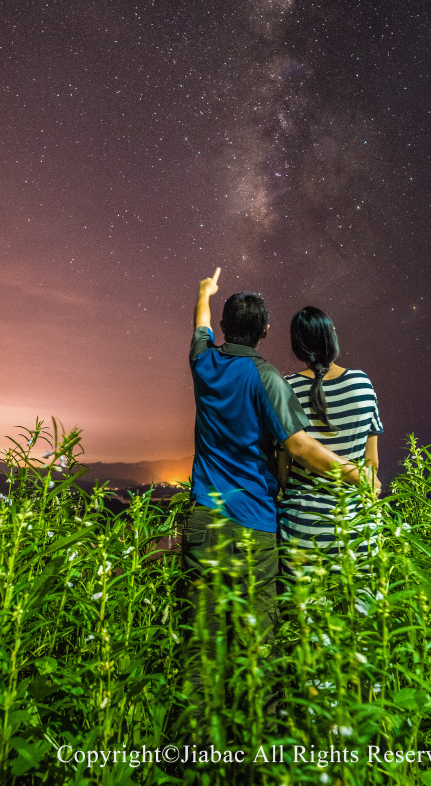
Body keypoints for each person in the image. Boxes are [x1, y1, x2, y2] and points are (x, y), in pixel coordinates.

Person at [183, 270, 363, 684]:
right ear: (265, 330)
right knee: (256, 650)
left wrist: (204, 291)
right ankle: (253, 744)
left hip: (204, 522)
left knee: (202, 652)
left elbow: (200, 324)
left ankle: (196, 746)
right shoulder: (268, 379)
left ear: (225, 329)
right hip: (254, 528)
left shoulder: (203, 361)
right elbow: (300, 447)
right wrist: (356, 475)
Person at [277, 306, 382, 556]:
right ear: (332, 336)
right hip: (359, 527)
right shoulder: (362, 383)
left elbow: (283, 472)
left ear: (297, 345)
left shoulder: (285, 388)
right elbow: (372, 463)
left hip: (303, 531)